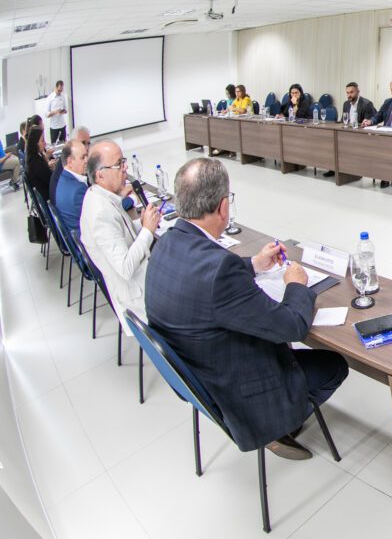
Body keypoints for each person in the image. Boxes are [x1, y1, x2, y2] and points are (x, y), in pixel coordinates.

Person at [145, 158, 348, 460]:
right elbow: (292, 326)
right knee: (335, 365)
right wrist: (296, 285)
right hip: (238, 393)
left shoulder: (165, 242)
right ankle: (278, 427)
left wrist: (254, 263)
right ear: (223, 207)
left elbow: (206, 274)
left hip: (201, 377)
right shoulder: (220, 271)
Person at [81, 141, 160, 326]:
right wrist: (147, 230)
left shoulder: (99, 195)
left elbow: (121, 232)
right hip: (139, 296)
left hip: (142, 278)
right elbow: (125, 268)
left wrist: (143, 223)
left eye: (123, 162)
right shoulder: (100, 213)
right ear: (100, 174)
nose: (125, 168)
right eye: (119, 164)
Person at [322, 82, 376, 177]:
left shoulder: (367, 104)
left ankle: (351, 170)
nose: (349, 95)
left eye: (351, 92)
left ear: (358, 92)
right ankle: (334, 168)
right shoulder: (346, 104)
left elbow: (368, 124)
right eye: (347, 93)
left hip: (360, 136)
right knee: (332, 141)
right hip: (347, 133)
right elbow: (343, 121)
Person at [53, 139, 90, 234]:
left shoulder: (63, 178)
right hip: (85, 237)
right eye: (82, 157)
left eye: (86, 155)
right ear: (70, 162)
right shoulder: (78, 190)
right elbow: (99, 214)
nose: (87, 160)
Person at [50, 126, 90, 202]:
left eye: (88, 144)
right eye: (83, 143)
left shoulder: (65, 163)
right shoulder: (77, 189)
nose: (86, 148)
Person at [25, 126, 53, 202]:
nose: (45, 143)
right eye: (42, 140)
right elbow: (52, 180)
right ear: (35, 143)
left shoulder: (33, 157)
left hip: (45, 193)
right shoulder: (36, 162)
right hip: (49, 197)